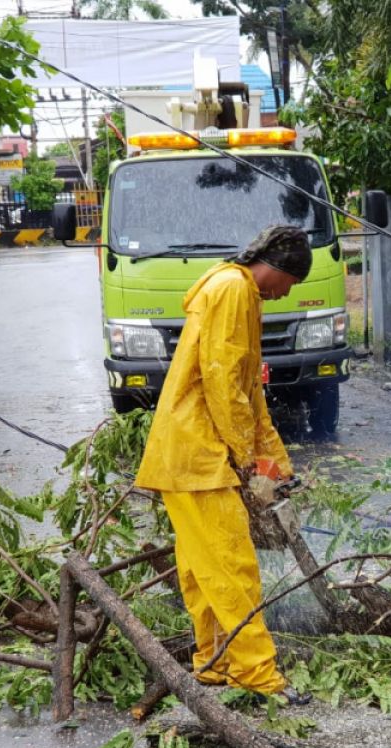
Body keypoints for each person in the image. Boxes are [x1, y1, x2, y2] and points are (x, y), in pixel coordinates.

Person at [135, 225, 312, 704]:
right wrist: (244, 460)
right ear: (276, 269)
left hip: (188, 454)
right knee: (233, 568)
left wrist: (277, 463)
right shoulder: (234, 288)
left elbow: (249, 391)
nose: (286, 294)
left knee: (200, 570)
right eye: (290, 284)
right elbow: (223, 383)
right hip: (201, 455)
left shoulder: (235, 289)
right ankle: (256, 674)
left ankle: (212, 664)